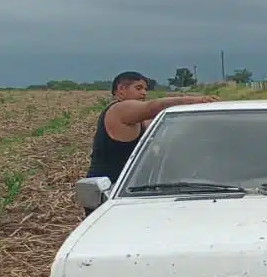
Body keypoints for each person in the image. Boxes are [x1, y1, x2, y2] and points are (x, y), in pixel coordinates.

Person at [86, 72, 216, 214]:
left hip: (132, 191)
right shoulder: (119, 110)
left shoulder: (138, 119)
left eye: (145, 89)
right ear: (121, 89)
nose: (144, 93)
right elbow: (154, 107)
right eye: (138, 88)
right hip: (110, 194)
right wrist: (198, 100)